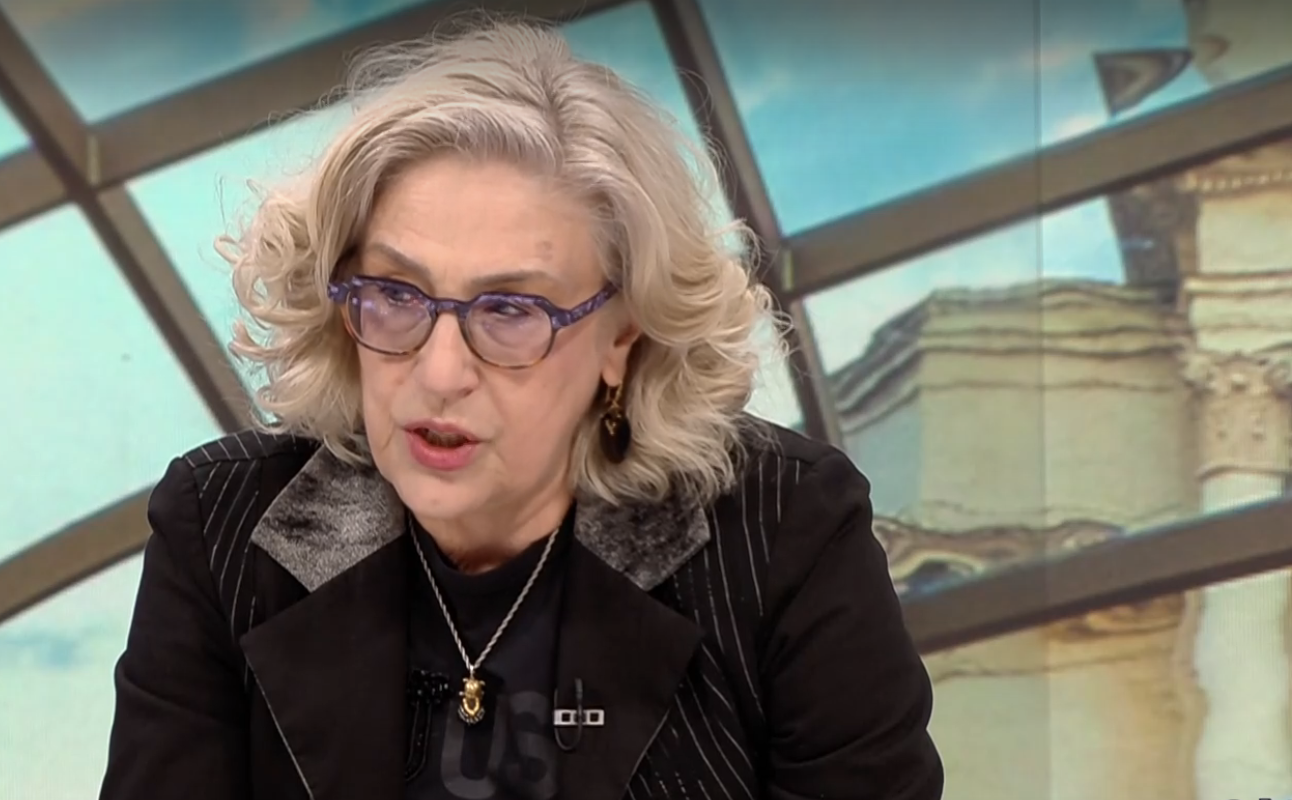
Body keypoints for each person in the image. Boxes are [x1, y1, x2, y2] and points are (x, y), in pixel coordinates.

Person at [99, 17, 942, 800]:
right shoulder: (222, 533)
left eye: (509, 311)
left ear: (623, 336)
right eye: (395, 294)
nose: (439, 372)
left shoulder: (784, 535)